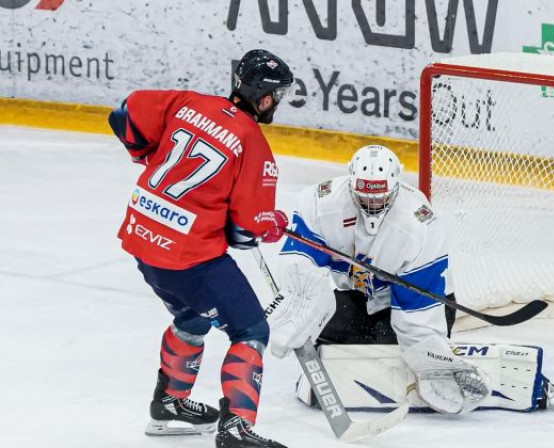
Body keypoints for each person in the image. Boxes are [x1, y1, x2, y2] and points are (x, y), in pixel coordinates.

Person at [109, 49, 293, 448]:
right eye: (277, 95)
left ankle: (170, 403)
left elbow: (124, 114)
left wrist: (145, 156)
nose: (277, 103)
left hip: (143, 238)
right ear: (264, 97)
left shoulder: (189, 102)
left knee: (193, 320)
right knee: (250, 329)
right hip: (187, 258)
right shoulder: (253, 144)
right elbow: (245, 233)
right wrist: (272, 225)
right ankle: (235, 429)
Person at [268, 144, 528, 415]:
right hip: (365, 299)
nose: (372, 206)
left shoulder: (420, 224)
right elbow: (302, 263)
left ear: (396, 187)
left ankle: (435, 361)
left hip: (426, 306)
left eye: (380, 198)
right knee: (321, 325)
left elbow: (418, 307)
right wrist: (302, 303)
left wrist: (428, 360)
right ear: (351, 184)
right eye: (365, 197)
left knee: (391, 352)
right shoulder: (320, 203)